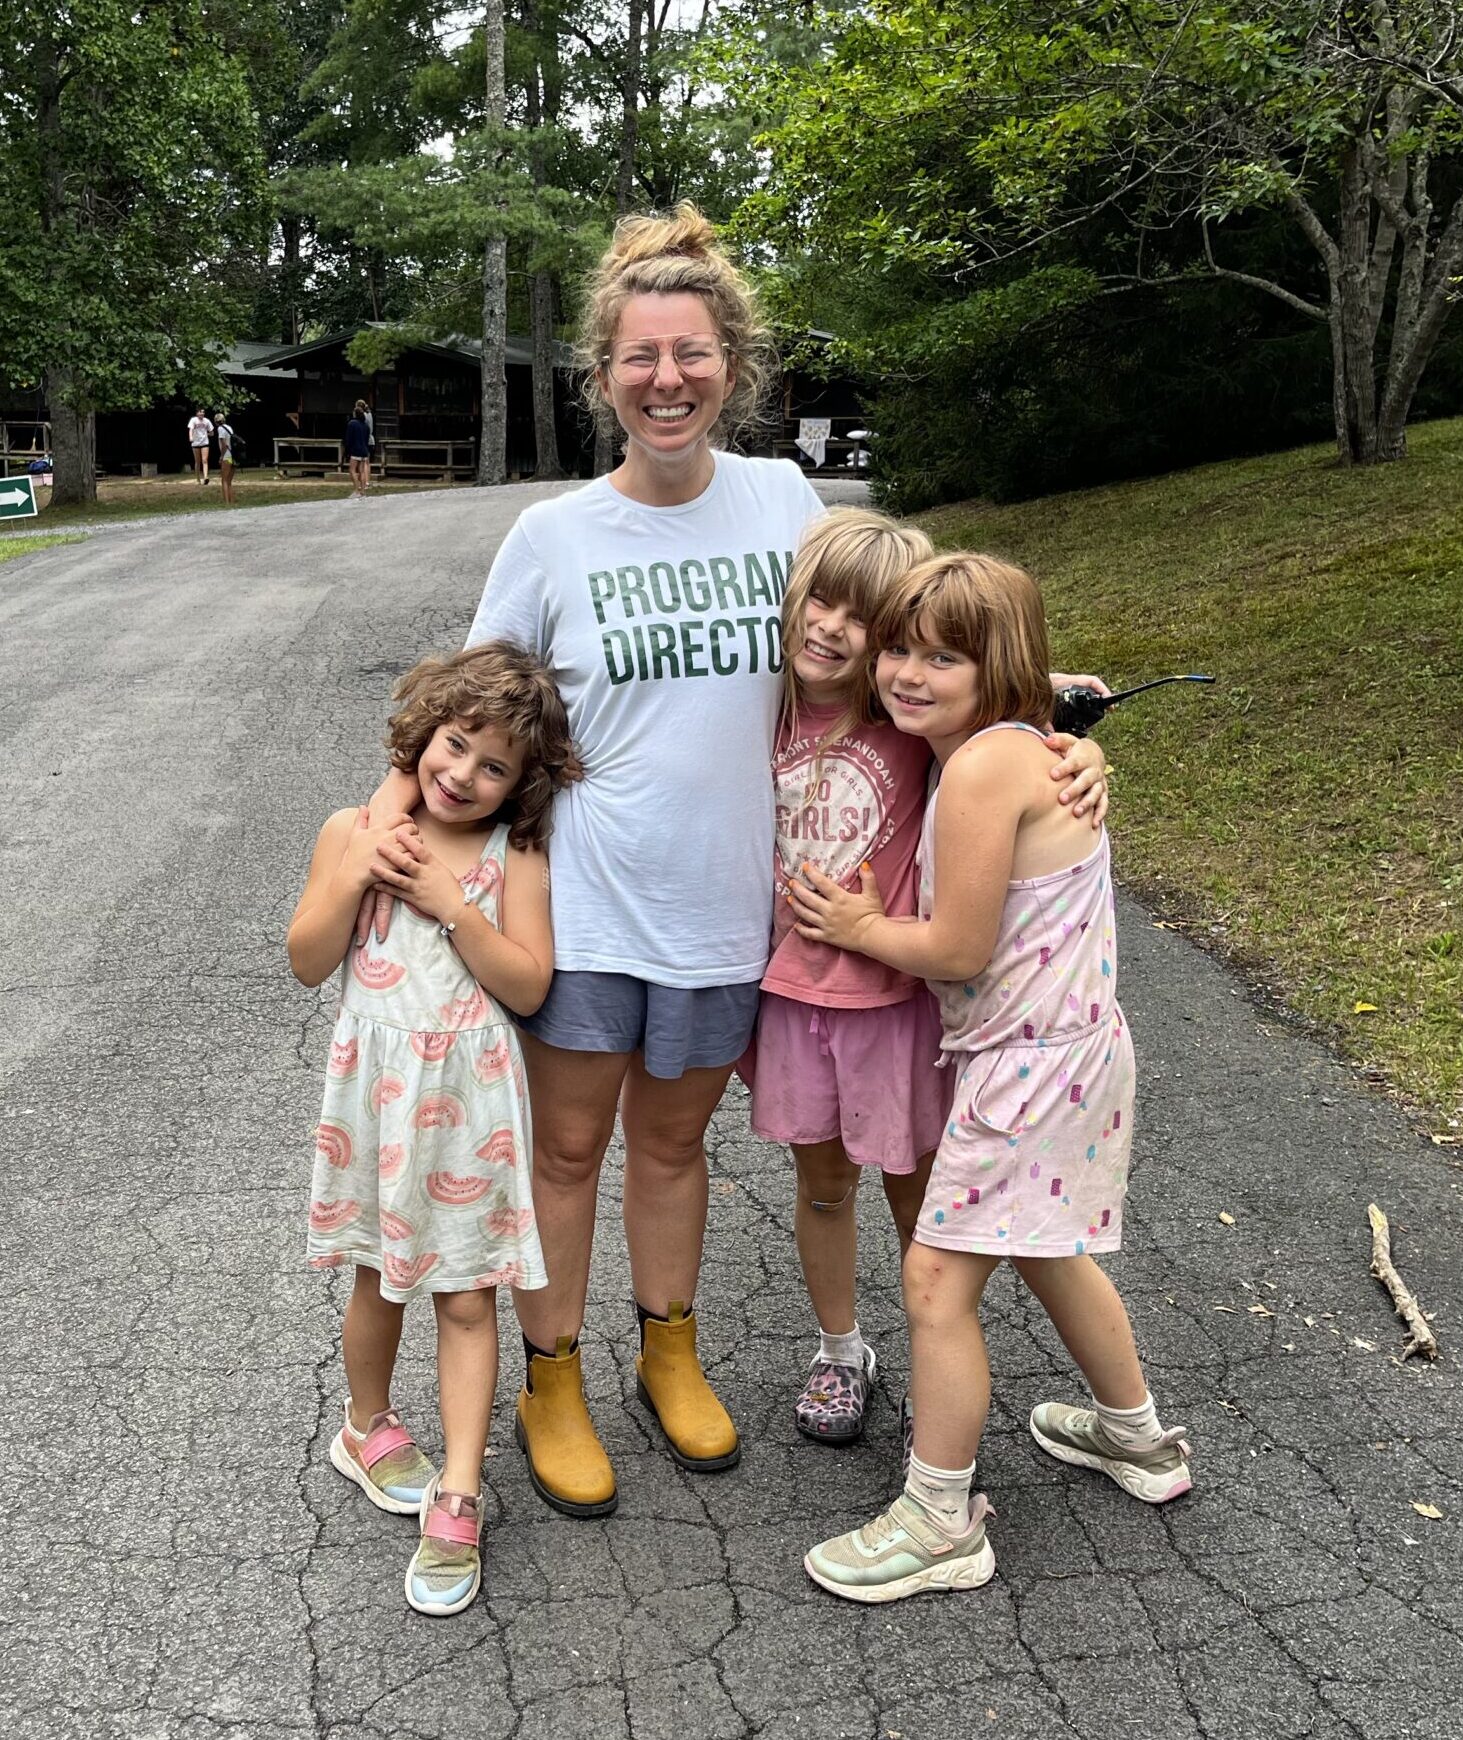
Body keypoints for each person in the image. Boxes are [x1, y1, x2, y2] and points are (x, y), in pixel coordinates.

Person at [362, 202, 826, 1517]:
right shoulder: (553, 538)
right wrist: (381, 827)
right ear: (603, 375)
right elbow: (464, 709)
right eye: (640, 357)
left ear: (731, 363)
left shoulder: (786, 505)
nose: (667, 379)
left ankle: (668, 1355)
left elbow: (903, 643)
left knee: (673, 1149)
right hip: (578, 909)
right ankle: (551, 1378)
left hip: (726, 904)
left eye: (692, 353)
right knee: (565, 1156)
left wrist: (1031, 717)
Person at [791, 552, 1190, 1605]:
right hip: (1075, 1047)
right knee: (1047, 1250)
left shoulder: (978, 771)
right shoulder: (1018, 746)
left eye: (941, 659)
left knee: (934, 1281)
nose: (906, 675)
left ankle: (939, 1520)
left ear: (994, 667)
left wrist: (857, 927)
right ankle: (1137, 1439)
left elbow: (958, 948)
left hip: (1026, 1066)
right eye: (897, 650)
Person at [740, 510, 1109, 1447]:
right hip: (793, 993)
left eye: (863, 620)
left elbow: (1008, 693)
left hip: (899, 1002)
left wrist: (1081, 742)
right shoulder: (762, 705)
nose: (832, 630)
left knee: (918, 1195)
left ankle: (932, 1374)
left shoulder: (903, 719)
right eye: (819, 601)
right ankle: (839, 1351)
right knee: (822, 1183)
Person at [288, 642, 580, 1615]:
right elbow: (306, 959)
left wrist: (453, 907)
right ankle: (365, 1425)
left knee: (465, 1296)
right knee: (377, 1277)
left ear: (520, 784)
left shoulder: (513, 856)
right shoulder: (356, 830)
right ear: (424, 733)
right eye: (455, 744)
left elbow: (529, 985)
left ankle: (458, 1491)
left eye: (494, 766)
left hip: (470, 1109)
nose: (463, 774)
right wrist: (356, 873)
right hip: (376, 1100)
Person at [346, 407, 372, 497]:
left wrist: (347, 450)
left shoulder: (352, 423)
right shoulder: (366, 426)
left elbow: (349, 438)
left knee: (352, 470)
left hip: (355, 450)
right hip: (364, 450)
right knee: (362, 471)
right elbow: (366, 439)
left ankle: (357, 490)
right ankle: (363, 492)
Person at [213, 414, 236, 505]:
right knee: (229, 481)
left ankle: (226, 502)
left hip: (227, 456)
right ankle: (232, 501)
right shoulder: (229, 428)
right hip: (233, 456)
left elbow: (224, 445)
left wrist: (221, 457)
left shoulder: (220, 429)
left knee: (224, 480)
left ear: (216, 422)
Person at [187, 408, 213, 483]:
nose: (202, 413)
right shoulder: (193, 420)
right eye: (200, 412)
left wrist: (207, 434)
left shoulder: (207, 421)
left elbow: (212, 432)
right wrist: (191, 437)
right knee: (197, 461)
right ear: (197, 413)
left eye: (203, 412)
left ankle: (205, 477)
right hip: (195, 443)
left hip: (205, 442)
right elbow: (191, 429)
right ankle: (198, 479)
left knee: (205, 460)